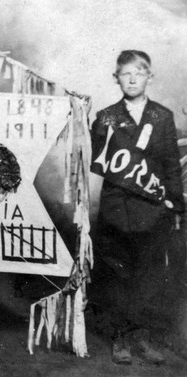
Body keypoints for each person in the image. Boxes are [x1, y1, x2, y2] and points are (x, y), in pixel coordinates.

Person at [90, 50, 185, 365]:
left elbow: (172, 165)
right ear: (115, 77)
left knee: (149, 277)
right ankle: (120, 339)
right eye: (125, 73)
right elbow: (93, 164)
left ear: (149, 77)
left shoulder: (162, 117)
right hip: (116, 212)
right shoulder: (104, 117)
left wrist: (175, 206)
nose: (132, 79)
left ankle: (142, 337)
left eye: (138, 73)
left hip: (152, 212)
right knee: (117, 278)